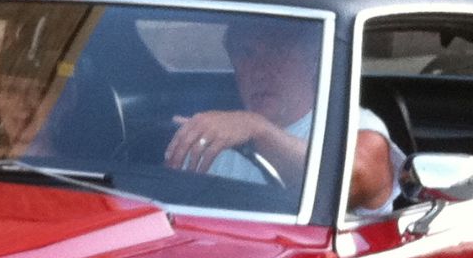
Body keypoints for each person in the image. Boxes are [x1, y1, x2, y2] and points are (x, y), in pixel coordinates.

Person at [166, 18, 404, 213]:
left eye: (278, 52)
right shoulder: (211, 132)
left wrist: (258, 130)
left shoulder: (355, 126)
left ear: (314, 60)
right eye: (246, 53)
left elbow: (348, 180)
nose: (260, 70)